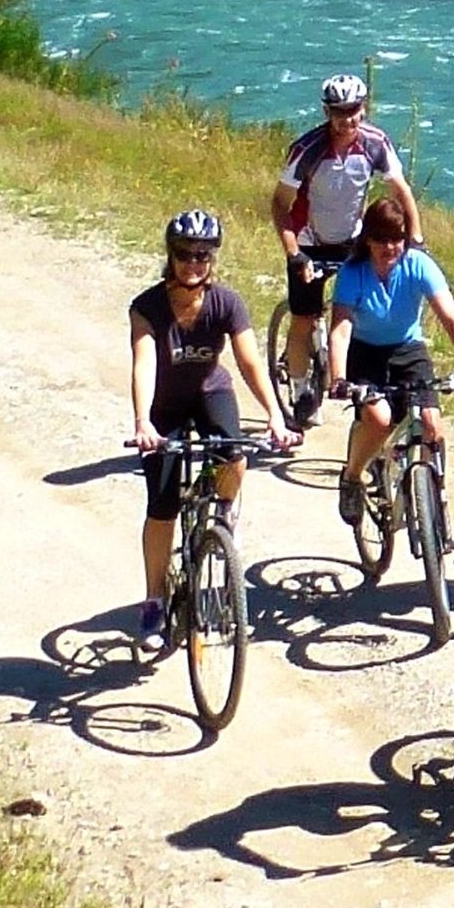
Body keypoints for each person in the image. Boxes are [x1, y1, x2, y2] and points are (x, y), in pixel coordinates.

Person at [129, 210, 299, 654]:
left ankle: (221, 517)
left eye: (202, 255)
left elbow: (248, 362)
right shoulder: (147, 307)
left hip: (209, 393)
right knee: (162, 506)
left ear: (213, 259)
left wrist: (276, 417)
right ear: (171, 256)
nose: (193, 263)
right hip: (164, 407)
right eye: (184, 255)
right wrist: (143, 421)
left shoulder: (227, 302)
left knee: (234, 455)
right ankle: (152, 600)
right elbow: (144, 363)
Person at [271, 73, 421, 429]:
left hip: (353, 242)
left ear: (363, 108)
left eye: (353, 110)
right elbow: (280, 204)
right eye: (339, 111)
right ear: (326, 111)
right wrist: (295, 254)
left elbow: (401, 192)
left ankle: (359, 375)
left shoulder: (375, 143)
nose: (347, 118)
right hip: (309, 241)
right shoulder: (307, 150)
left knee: (359, 312)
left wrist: (416, 239)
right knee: (304, 317)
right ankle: (301, 386)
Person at [326, 198, 454, 526]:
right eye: (381, 239)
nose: (390, 247)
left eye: (397, 239)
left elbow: (451, 318)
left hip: (408, 349)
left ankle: (433, 499)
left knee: (431, 424)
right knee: (379, 418)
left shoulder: (419, 265)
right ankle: (352, 476)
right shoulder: (353, 273)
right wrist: (339, 377)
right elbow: (341, 330)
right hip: (365, 352)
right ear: (367, 239)